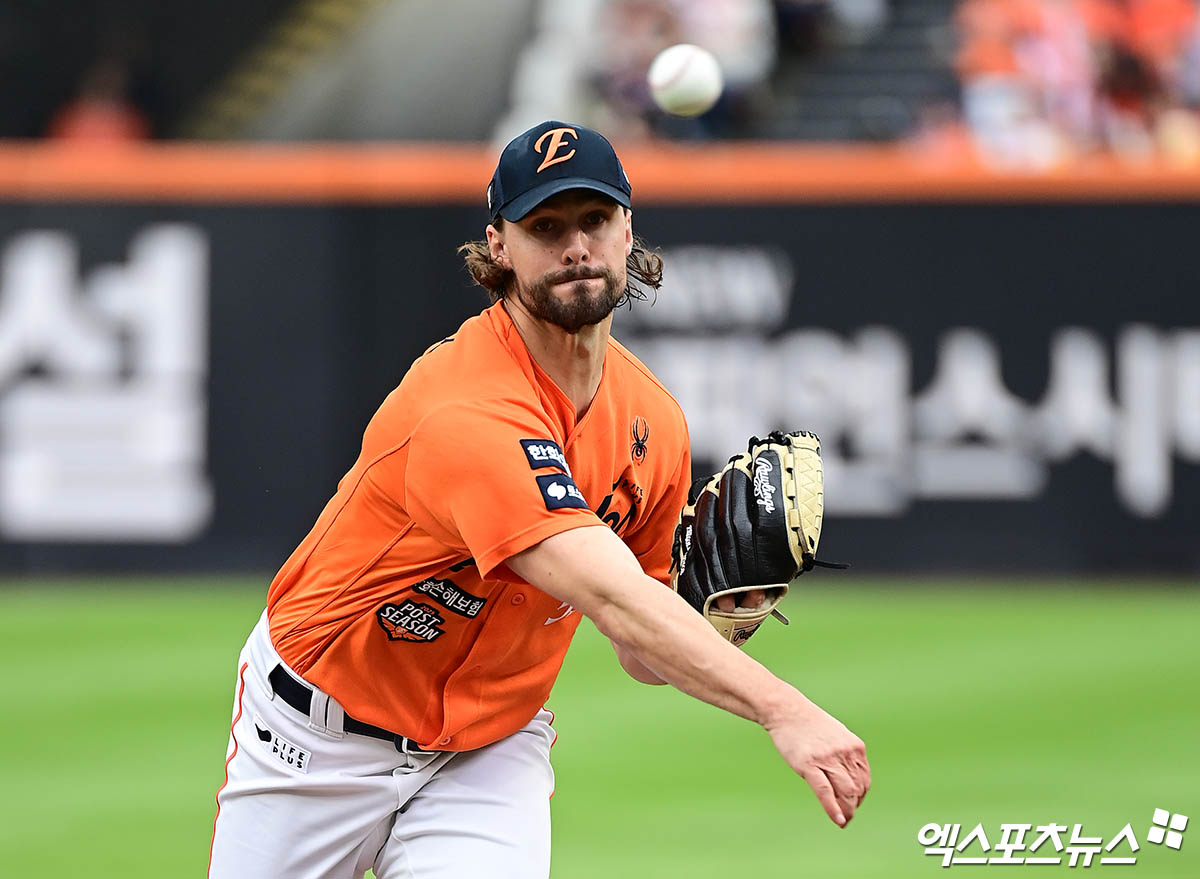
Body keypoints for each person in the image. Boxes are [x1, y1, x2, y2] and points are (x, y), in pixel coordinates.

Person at [208, 119, 870, 879]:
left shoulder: (654, 422)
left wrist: (721, 614)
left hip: (487, 753)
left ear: (628, 230)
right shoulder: (466, 406)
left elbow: (638, 650)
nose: (575, 247)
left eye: (594, 219)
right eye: (545, 226)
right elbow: (611, 596)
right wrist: (783, 708)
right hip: (315, 742)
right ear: (499, 245)